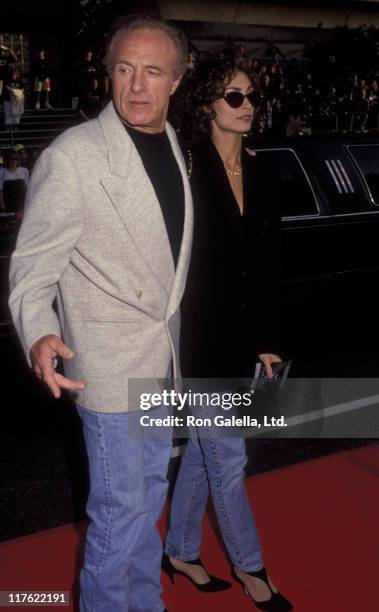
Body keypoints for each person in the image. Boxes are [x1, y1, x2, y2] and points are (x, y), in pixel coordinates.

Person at [9, 15, 192, 612]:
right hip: (109, 371)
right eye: (123, 69)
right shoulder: (76, 156)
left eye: (152, 71)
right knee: (120, 517)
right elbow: (33, 265)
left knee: (147, 506)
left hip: (160, 364)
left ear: (177, 80)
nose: (136, 85)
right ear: (109, 73)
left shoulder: (173, 143)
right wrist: (40, 332)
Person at [164, 49, 293, 611]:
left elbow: (269, 264)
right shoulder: (186, 169)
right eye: (234, 97)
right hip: (198, 338)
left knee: (205, 450)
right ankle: (252, 568)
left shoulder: (265, 169)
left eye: (252, 97)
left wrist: (268, 340)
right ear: (209, 104)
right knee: (230, 457)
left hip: (243, 338)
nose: (247, 107)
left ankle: (181, 551)